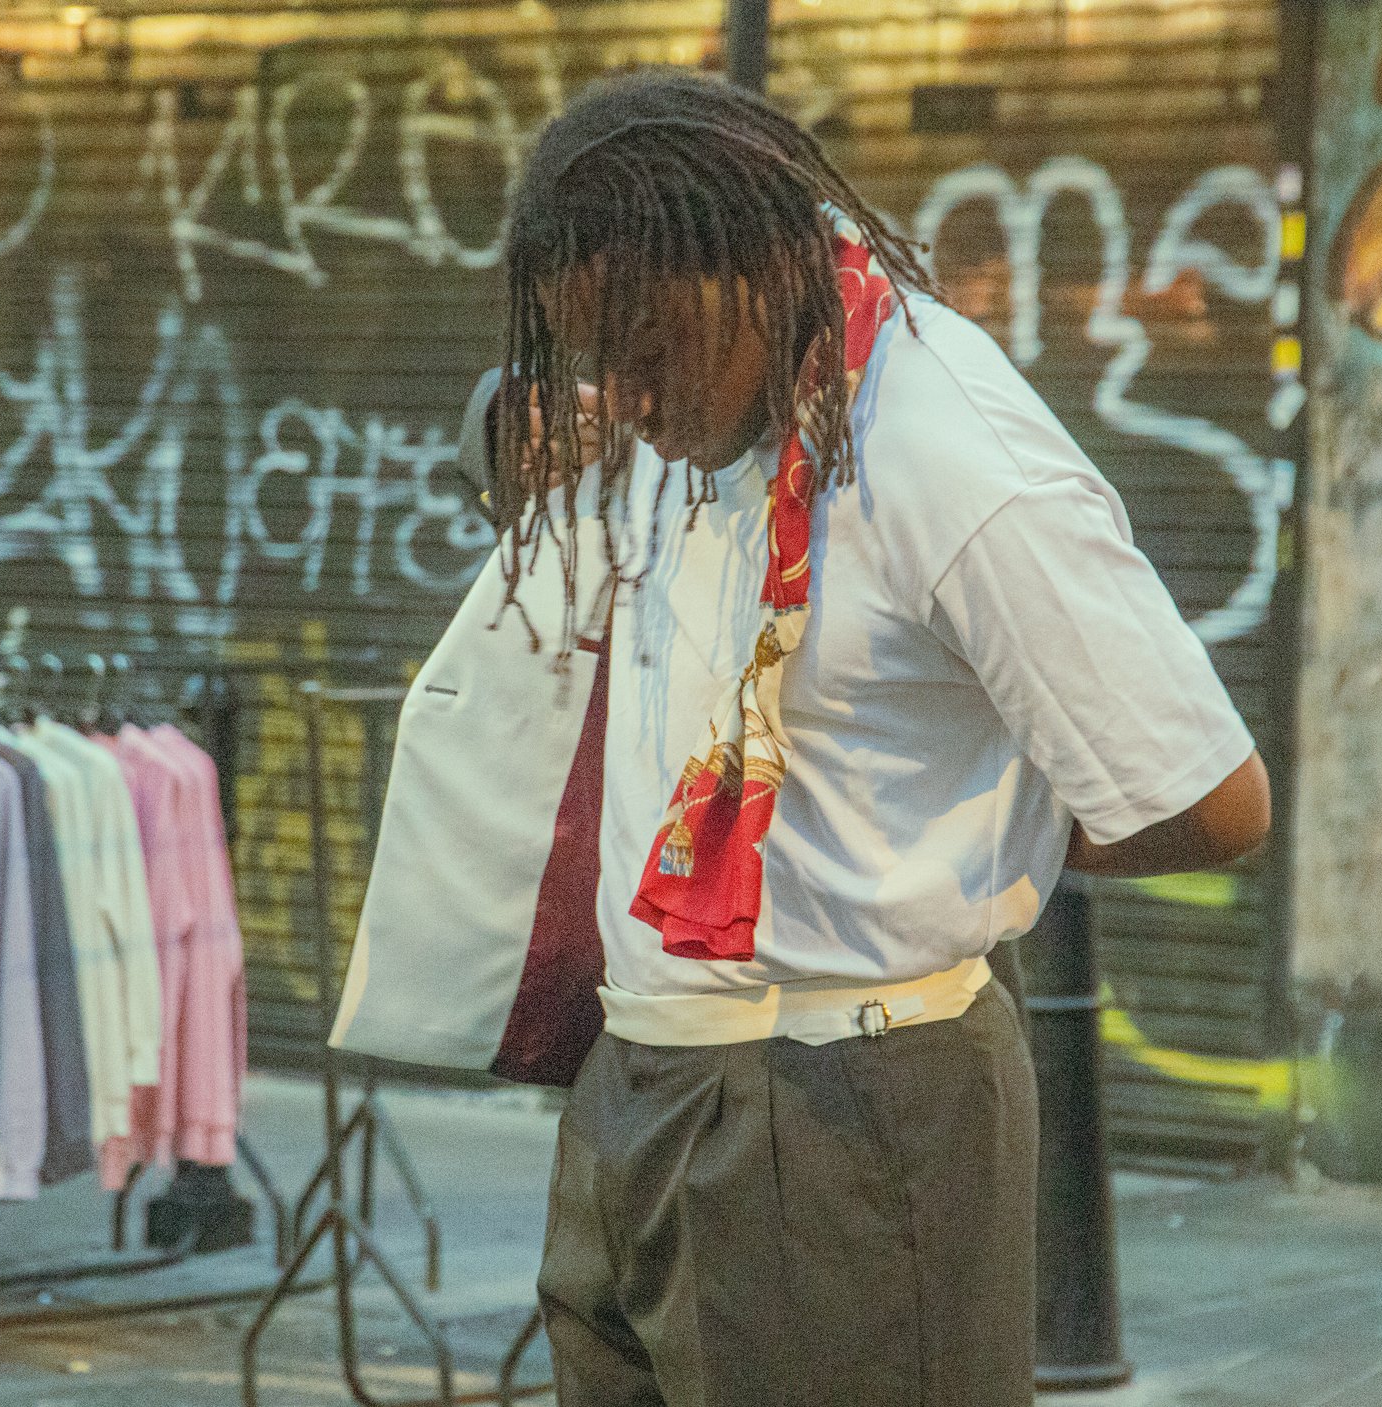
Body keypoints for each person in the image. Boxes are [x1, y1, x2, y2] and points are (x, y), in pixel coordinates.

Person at [429, 70, 1270, 1406]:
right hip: (636, 1082)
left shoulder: (955, 457)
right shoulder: (692, 408)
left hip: (844, 1106)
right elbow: (568, 441)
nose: (630, 398)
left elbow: (1209, 801)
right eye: (595, 357)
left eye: (647, 346)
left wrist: (955, 836)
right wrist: (524, 423)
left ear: (763, 263)